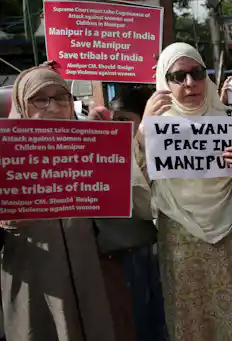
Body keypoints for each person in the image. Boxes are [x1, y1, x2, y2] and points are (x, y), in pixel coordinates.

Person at [134, 43, 232, 341]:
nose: (190, 83)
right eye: (178, 76)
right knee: (192, 318)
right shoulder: (154, 129)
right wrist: (143, 129)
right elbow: (136, 183)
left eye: (196, 73)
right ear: (163, 83)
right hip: (180, 236)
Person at [1, 63, 118, 341]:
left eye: (62, 97)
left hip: (88, 276)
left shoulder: (93, 148)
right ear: (21, 104)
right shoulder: (4, 157)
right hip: (35, 283)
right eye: (40, 99)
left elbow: (125, 213)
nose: (53, 107)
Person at [90, 87, 168, 341]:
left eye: (125, 120)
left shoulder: (158, 146)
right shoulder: (100, 149)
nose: (116, 127)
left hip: (148, 249)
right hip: (115, 256)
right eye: (113, 121)